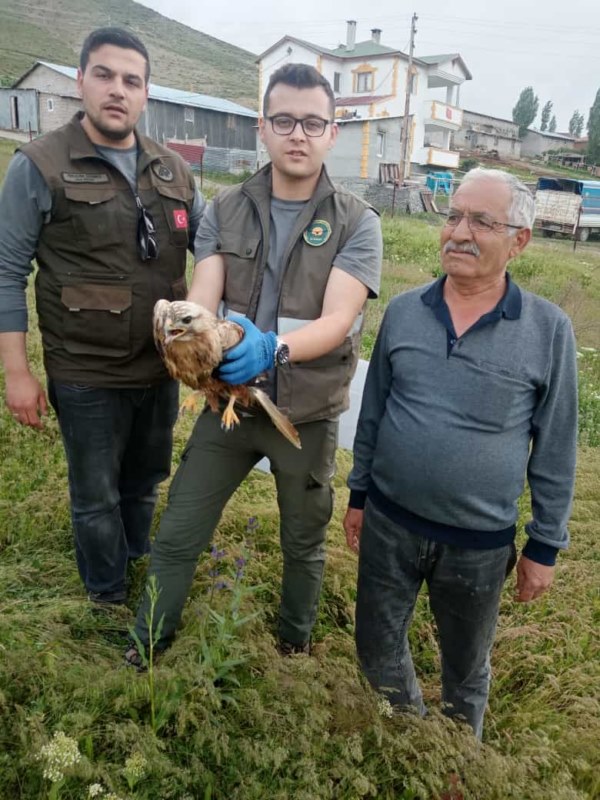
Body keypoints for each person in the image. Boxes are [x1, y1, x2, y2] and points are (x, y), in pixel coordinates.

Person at [129, 63, 382, 662]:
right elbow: (205, 293)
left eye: (313, 122)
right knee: (179, 530)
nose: (299, 133)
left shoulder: (357, 223)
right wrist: (195, 329)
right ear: (262, 128)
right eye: (285, 120)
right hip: (230, 408)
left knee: (303, 540)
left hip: (306, 411)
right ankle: (146, 644)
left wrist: (271, 347)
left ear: (331, 133)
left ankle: (293, 648)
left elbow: (337, 320)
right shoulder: (226, 208)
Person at [343, 168, 577, 739]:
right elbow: (372, 413)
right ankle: (412, 742)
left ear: (519, 240)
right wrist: (358, 495)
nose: (459, 232)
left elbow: (557, 446)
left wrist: (545, 544)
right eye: (453, 216)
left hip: (478, 542)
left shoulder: (548, 330)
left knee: (466, 670)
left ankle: (455, 762)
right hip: (390, 522)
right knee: (375, 647)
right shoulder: (403, 311)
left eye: (481, 221)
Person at [0, 28, 204, 605]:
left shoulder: (173, 171)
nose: (118, 90)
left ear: (146, 94)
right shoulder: (40, 166)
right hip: (86, 371)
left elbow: (213, 252)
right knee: (96, 496)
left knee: (144, 484)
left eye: (131, 80)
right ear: (81, 81)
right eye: (105, 76)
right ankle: (107, 597)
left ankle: (134, 561)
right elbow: (6, 273)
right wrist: (18, 374)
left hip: (160, 369)